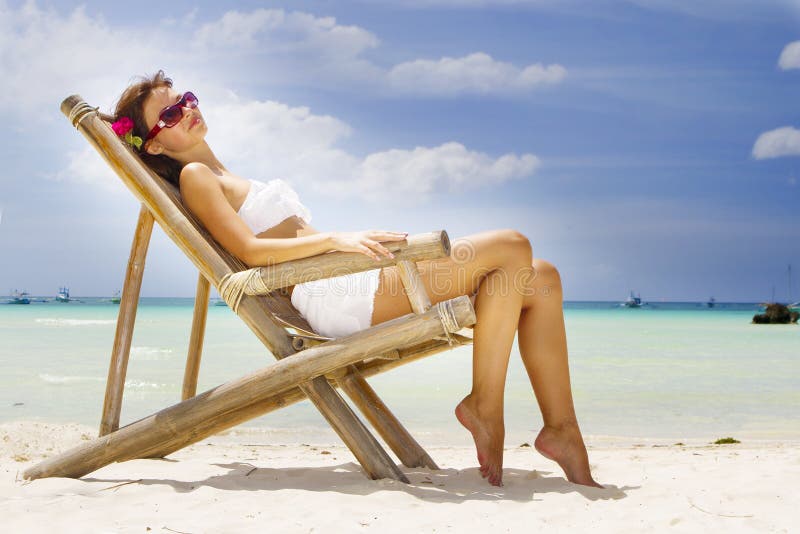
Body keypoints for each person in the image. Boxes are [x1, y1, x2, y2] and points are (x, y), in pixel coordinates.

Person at [113, 71, 601, 488]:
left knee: (540, 279)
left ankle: (562, 431)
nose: (185, 110)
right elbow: (250, 252)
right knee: (512, 244)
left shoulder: (222, 171)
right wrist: (335, 240)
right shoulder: (198, 176)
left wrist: (342, 245)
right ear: (154, 143)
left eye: (184, 100)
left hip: (348, 275)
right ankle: (484, 406)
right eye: (170, 114)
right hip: (332, 293)